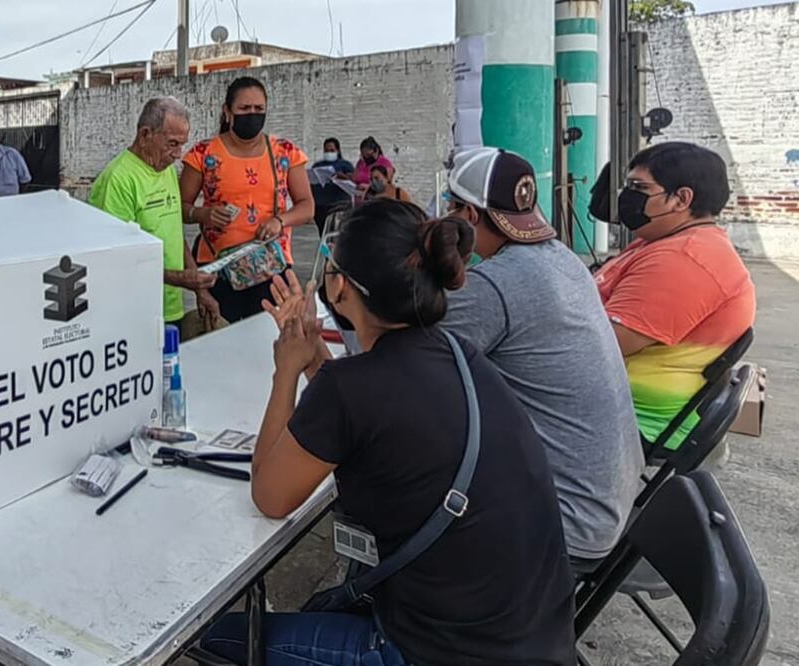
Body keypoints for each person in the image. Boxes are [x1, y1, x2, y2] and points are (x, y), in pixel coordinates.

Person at [201, 200, 576, 665]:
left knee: (217, 636)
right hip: (531, 635)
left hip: (438, 652)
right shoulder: (459, 354)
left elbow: (269, 495)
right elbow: (362, 419)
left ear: (342, 289)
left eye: (330, 268)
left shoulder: (351, 389)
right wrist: (315, 355)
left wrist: (286, 369)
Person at [440, 146, 642, 570]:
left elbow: (404, 366)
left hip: (566, 526)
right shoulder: (562, 259)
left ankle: (382, 614)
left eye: (450, 207)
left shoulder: (495, 284)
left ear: (469, 217)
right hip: (608, 500)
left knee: (402, 478)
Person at [594, 142, 756, 451]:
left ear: (681, 199)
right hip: (617, 400)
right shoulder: (660, 241)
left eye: (639, 187)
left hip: (628, 418)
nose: (626, 197)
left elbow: (601, 346)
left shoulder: (684, 260)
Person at [179, 76, 315, 323]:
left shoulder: (286, 153)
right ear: (227, 111)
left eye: (258, 109)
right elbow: (179, 207)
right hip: (219, 270)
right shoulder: (203, 154)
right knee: (221, 343)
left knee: (271, 345)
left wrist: (279, 221)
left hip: (270, 268)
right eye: (244, 108)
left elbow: (307, 206)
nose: (252, 115)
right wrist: (202, 214)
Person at [89, 98, 220, 333]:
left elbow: (173, 233)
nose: (178, 154)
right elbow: (117, 261)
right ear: (145, 135)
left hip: (169, 307)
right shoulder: (117, 181)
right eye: (172, 144)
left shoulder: (165, 169)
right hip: (133, 314)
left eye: (182, 145)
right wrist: (181, 279)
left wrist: (199, 288)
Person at [310, 137, 355, 232]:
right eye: (326, 150)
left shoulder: (345, 165)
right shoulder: (317, 166)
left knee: (337, 231)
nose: (329, 153)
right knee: (323, 231)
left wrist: (342, 177)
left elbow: (354, 182)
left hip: (339, 204)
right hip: (320, 205)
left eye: (332, 150)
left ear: (337, 150)